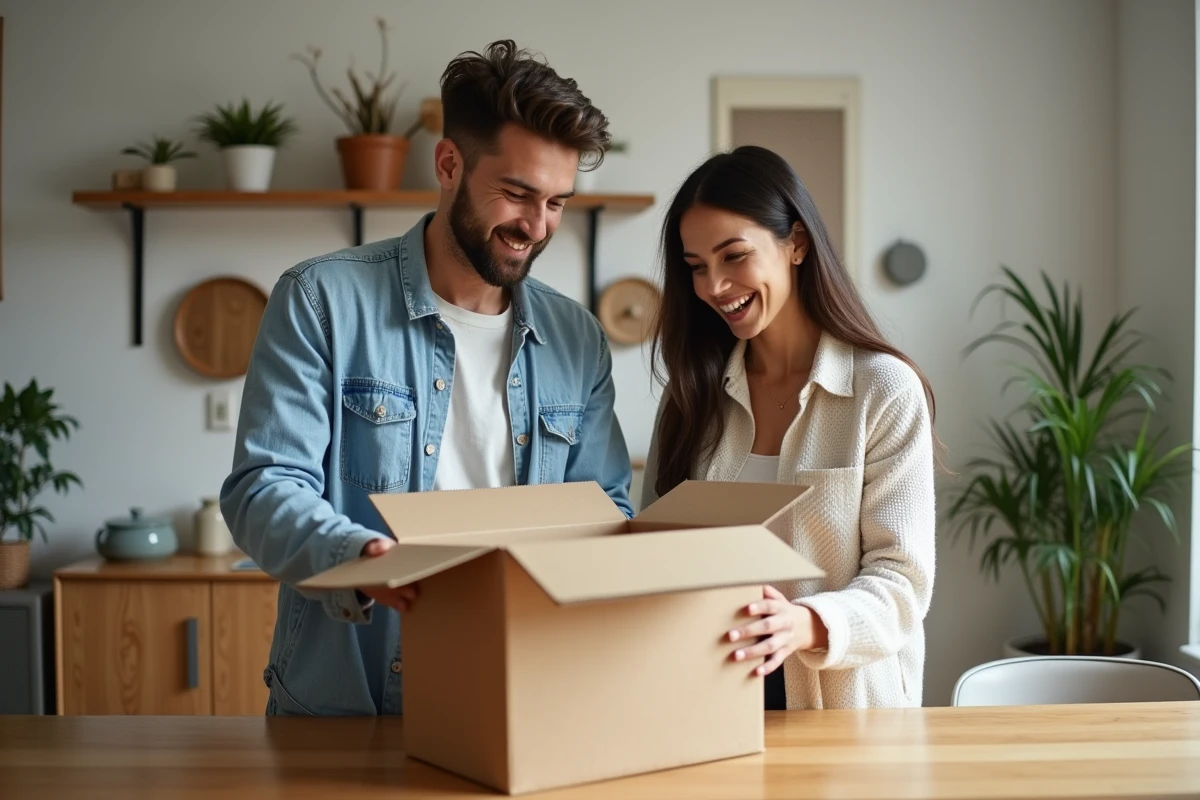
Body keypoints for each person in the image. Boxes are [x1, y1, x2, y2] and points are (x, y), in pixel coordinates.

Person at [220, 40, 632, 716]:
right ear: (449, 165)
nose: (536, 226)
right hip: (346, 707)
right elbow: (261, 490)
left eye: (558, 202)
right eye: (517, 194)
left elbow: (608, 510)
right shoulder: (321, 300)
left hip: (521, 700)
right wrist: (361, 555)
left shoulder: (577, 338)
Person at [640, 145, 937, 710]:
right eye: (696, 266)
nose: (714, 286)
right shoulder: (690, 397)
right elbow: (655, 553)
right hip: (708, 700)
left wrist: (801, 623)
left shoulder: (883, 390)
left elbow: (902, 583)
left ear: (795, 243)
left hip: (844, 707)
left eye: (733, 256)